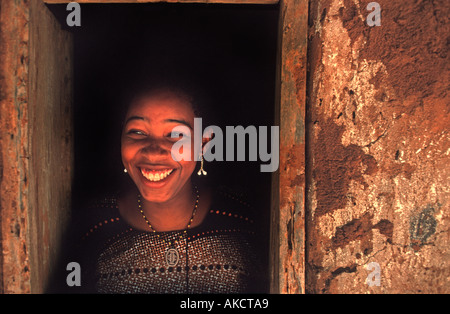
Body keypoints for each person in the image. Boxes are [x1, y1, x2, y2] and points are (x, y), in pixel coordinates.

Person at [58, 80, 265, 294]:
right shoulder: (93, 227)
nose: (153, 152)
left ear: (204, 144)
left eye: (176, 135)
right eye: (137, 132)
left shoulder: (244, 219)